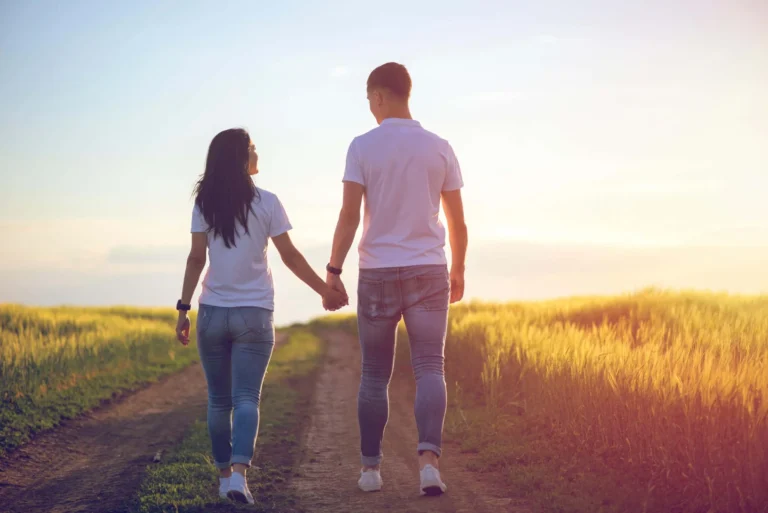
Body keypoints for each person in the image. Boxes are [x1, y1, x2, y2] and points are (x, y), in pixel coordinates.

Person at [174, 128, 347, 505]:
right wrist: (325, 290)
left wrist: (184, 309)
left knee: (219, 401)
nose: (257, 153)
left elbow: (194, 259)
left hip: (212, 314)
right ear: (240, 158)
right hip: (254, 315)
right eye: (252, 148)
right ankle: (239, 477)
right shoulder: (268, 202)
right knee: (247, 397)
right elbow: (291, 256)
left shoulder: (205, 203)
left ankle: (223, 480)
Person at [324, 62, 468, 496]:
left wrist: (333, 270)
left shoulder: (362, 146)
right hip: (428, 269)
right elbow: (458, 223)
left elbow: (350, 215)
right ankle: (428, 465)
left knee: (373, 373)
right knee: (430, 367)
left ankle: (370, 470)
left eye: (370, 100)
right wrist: (457, 268)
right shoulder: (439, 147)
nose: (370, 108)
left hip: (378, 272)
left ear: (380, 96)